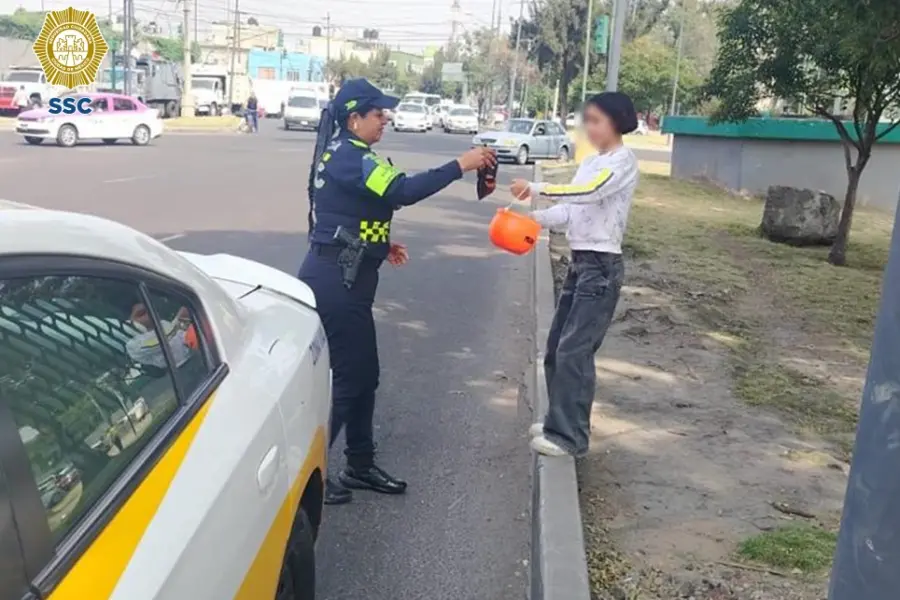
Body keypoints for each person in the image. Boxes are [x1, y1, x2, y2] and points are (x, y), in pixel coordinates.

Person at [298, 78, 496, 505]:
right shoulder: (351, 157)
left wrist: (380, 246)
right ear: (355, 118)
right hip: (337, 282)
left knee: (362, 376)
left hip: (344, 272)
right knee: (351, 379)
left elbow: (343, 213)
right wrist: (460, 164)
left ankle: (360, 463)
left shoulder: (349, 154)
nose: (385, 119)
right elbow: (401, 191)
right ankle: (314, 474)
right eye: (378, 113)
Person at [509, 91, 640, 458]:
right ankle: (557, 422)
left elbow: (588, 192)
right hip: (581, 264)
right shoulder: (591, 161)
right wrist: (530, 219)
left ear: (617, 121)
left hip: (601, 268)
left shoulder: (622, 162)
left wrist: (536, 188)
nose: (590, 128)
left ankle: (570, 438)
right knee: (555, 349)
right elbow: (570, 212)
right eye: (589, 121)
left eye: (597, 120)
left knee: (574, 352)